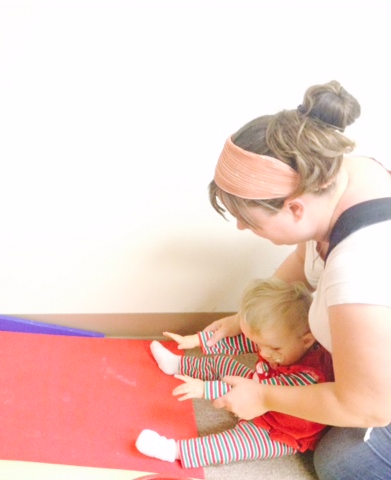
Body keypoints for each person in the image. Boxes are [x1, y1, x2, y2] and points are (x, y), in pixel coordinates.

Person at [201, 80, 391, 479]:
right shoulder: (340, 175)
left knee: (343, 460)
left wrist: (264, 395)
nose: (239, 227)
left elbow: (371, 405)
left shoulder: (358, 270)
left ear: (296, 208)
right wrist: (246, 317)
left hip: (379, 397)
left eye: (248, 220)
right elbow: (305, 256)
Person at [135, 278, 333, 468]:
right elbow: (239, 343)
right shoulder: (280, 342)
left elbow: (247, 393)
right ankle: (177, 364)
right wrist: (199, 340)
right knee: (223, 364)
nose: (263, 353)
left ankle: (174, 451)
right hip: (258, 387)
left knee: (234, 444)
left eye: (273, 349)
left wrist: (205, 389)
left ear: (307, 340)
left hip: (281, 428)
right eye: (258, 345)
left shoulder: (310, 376)